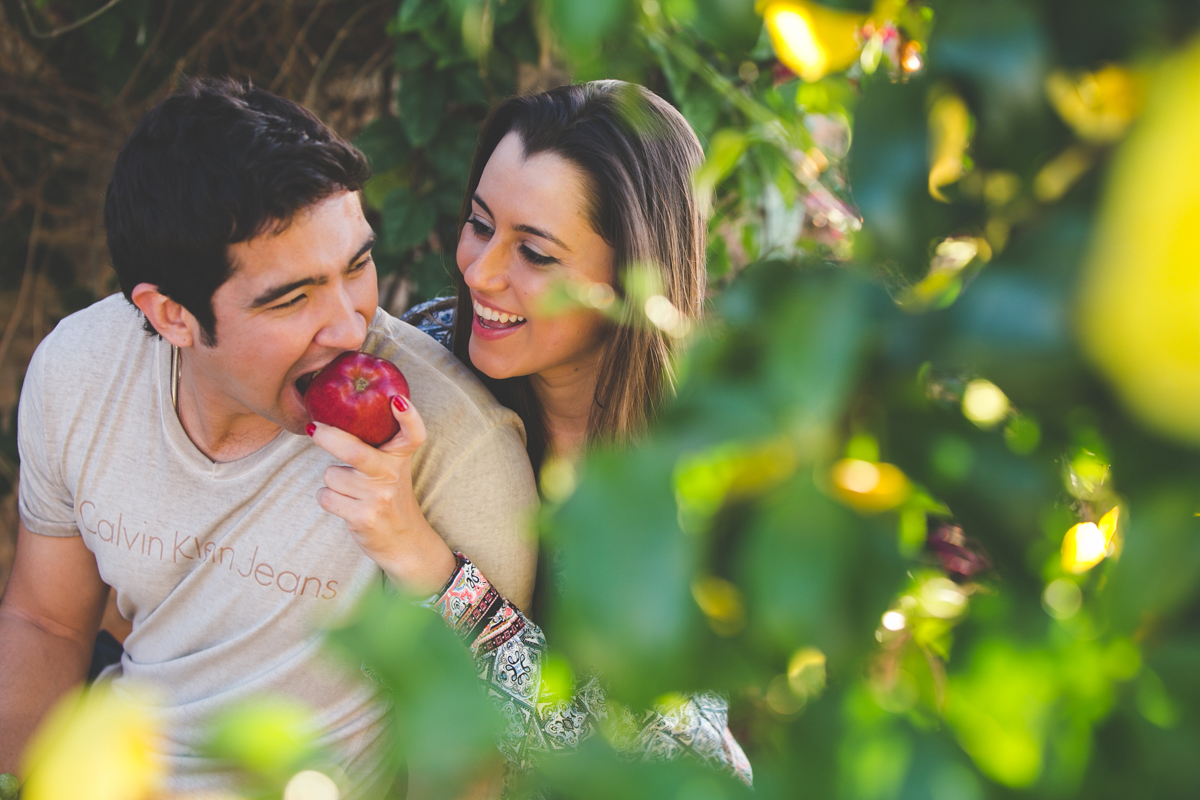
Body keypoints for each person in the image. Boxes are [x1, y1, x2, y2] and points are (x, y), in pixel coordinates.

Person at [0, 78, 538, 799]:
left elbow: (464, 750)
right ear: (172, 316)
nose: (351, 327)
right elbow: (45, 622)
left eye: (357, 266)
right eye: (293, 298)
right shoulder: (82, 371)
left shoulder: (454, 442)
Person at [396, 81, 753, 784]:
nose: (480, 272)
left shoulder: (696, 485)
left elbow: (648, 768)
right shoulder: (427, 353)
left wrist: (440, 578)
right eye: (479, 223)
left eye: (535, 253)